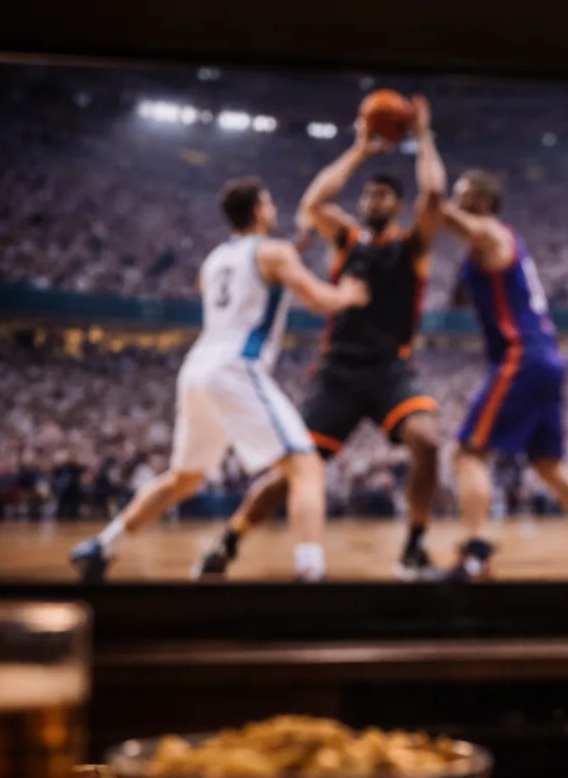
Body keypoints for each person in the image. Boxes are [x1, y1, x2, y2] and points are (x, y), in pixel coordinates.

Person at [192, 97, 446, 581]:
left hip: (390, 368)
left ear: (397, 206)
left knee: (428, 440)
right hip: (338, 372)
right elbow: (313, 204)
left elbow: (434, 194)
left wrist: (423, 136)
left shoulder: (412, 245)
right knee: (292, 471)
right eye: (368, 195)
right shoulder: (347, 239)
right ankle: (229, 540)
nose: (373, 201)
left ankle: (414, 544)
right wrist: (359, 150)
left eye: (383, 196)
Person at [70, 177, 365, 583]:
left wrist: (289, 255)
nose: (274, 210)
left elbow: (242, 281)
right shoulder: (275, 253)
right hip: (236, 367)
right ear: (259, 211)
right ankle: (310, 569)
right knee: (306, 466)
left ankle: (102, 546)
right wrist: (348, 294)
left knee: (183, 479)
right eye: (270, 204)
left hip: (197, 368)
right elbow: (318, 300)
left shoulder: (214, 260)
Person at [437, 170, 568, 580]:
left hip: (521, 355)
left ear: (480, 201)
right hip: (546, 356)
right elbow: (459, 299)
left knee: (468, 453)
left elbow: (433, 206)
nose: (455, 202)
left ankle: (476, 554)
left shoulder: (491, 232)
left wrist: (423, 143)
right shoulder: (488, 245)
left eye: (461, 195)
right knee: (549, 464)